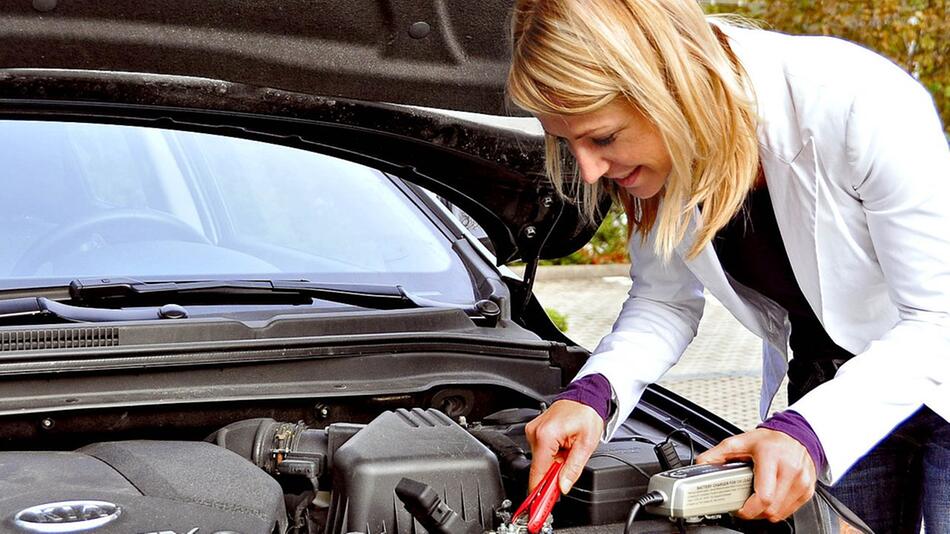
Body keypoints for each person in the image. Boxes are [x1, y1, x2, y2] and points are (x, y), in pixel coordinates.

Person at [505, 0, 950, 532]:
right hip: (835, 380)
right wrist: (593, 395)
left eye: (602, 137)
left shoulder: (858, 105)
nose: (590, 170)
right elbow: (663, 300)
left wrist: (806, 431)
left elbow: (939, 319)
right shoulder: (672, 152)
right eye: (565, 140)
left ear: (667, 89)